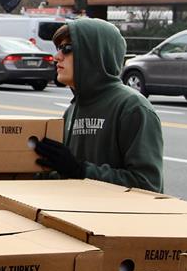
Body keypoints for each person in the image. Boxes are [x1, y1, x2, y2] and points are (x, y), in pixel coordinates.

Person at [34, 18, 164, 192]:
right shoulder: (72, 110)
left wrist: (81, 170)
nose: (57, 57)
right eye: (58, 49)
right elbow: (67, 175)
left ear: (93, 54)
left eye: (67, 49)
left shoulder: (132, 107)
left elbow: (148, 184)